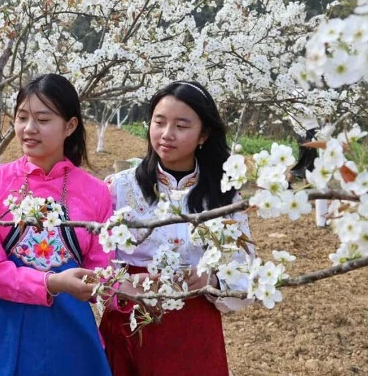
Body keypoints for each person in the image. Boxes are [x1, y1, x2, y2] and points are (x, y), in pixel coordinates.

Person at [100, 81, 253, 376]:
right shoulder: (119, 187)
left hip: (192, 326)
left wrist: (212, 279)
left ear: (203, 135)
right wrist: (127, 284)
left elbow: (244, 267)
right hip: (131, 319)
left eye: (181, 126)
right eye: (159, 122)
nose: (166, 135)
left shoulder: (224, 197)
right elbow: (98, 259)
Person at [0, 73, 113, 376]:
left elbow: (102, 277)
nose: (29, 129)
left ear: (70, 126)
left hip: (71, 339)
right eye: (22, 117)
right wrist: (51, 282)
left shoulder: (96, 193)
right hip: (5, 335)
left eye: (43, 119)